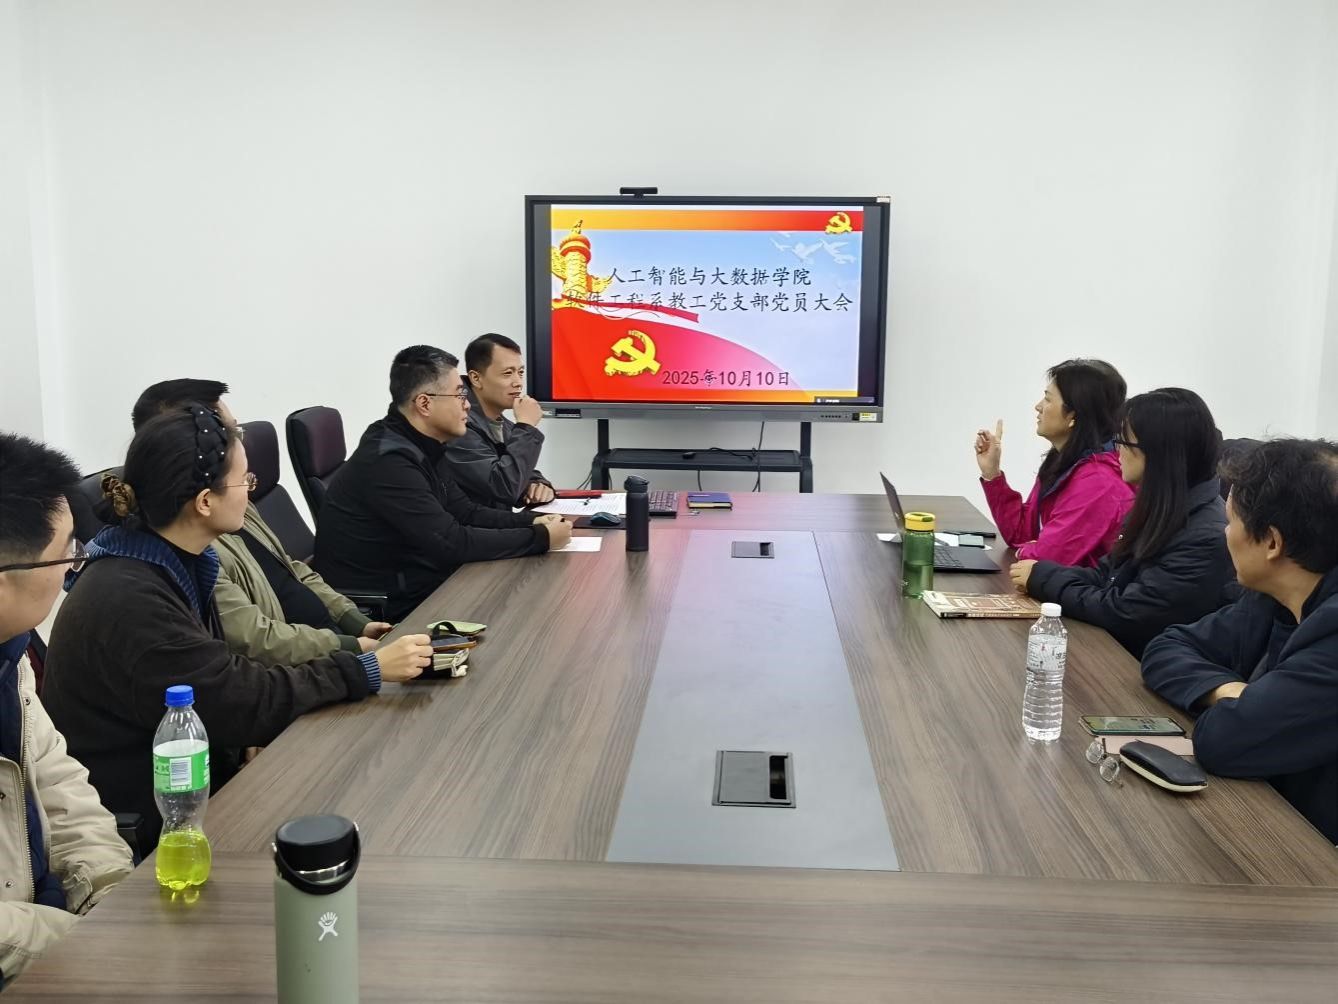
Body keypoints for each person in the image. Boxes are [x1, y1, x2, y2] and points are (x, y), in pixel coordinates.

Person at [40, 406, 432, 848]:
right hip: (155, 828)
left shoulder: (175, 560)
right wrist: (365, 669)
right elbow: (234, 696)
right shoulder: (129, 597)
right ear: (204, 502)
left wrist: (237, 735)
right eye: (244, 481)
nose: (251, 490)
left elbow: (211, 684)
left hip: (198, 779)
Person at [1141, 438, 1338, 844]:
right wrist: (1229, 690)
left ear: (1272, 543)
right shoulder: (1276, 596)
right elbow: (1165, 647)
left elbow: (1223, 741)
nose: (1224, 532)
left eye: (1231, 521)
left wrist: (1245, 706)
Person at [131, 379, 392, 665]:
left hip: (333, 645)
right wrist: (354, 648)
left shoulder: (237, 505)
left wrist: (354, 622)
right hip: (308, 666)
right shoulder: (195, 552)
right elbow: (255, 641)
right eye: (227, 432)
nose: (238, 443)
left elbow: (291, 568)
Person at [0, 434, 132, 983]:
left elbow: (59, 784)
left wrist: (111, 895)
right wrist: (81, 943)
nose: (75, 564)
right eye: (66, 551)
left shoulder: (12, 656)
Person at [315, 346, 571, 621]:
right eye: (460, 395)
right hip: (393, 607)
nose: (467, 404)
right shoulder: (388, 461)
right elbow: (451, 542)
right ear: (424, 404)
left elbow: (466, 512)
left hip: (426, 582)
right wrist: (541, 538)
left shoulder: (422, 443)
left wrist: (533, 521)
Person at [1008, 388, 1234, 657]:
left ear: (1159, 453)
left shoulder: (1204, 537)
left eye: (1124, 443)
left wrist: (1043, 579)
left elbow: (1127, 613)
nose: (1117, 452)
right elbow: (1107, 576)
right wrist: (1043, 574)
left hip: (1141, 665)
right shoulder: (1159, 505)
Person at [975, 359, 1133, 567]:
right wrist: (992, 473)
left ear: (1073, 414)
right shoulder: (1063, 461)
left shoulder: (1099, 483)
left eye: (1048, 399)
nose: (1038, 407)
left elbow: (1046, 558)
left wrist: (1031, 548)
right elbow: (1021, 534)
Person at [441, 333, 555, 509]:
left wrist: (538, 485)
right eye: (508, 373)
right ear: (476, 378)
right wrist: (526, 426)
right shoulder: (458, 425)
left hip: (496, 523)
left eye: (520, 372)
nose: (518, 382)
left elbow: (517, 469)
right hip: (469, 525)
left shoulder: (503, 425)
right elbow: (503, 486)